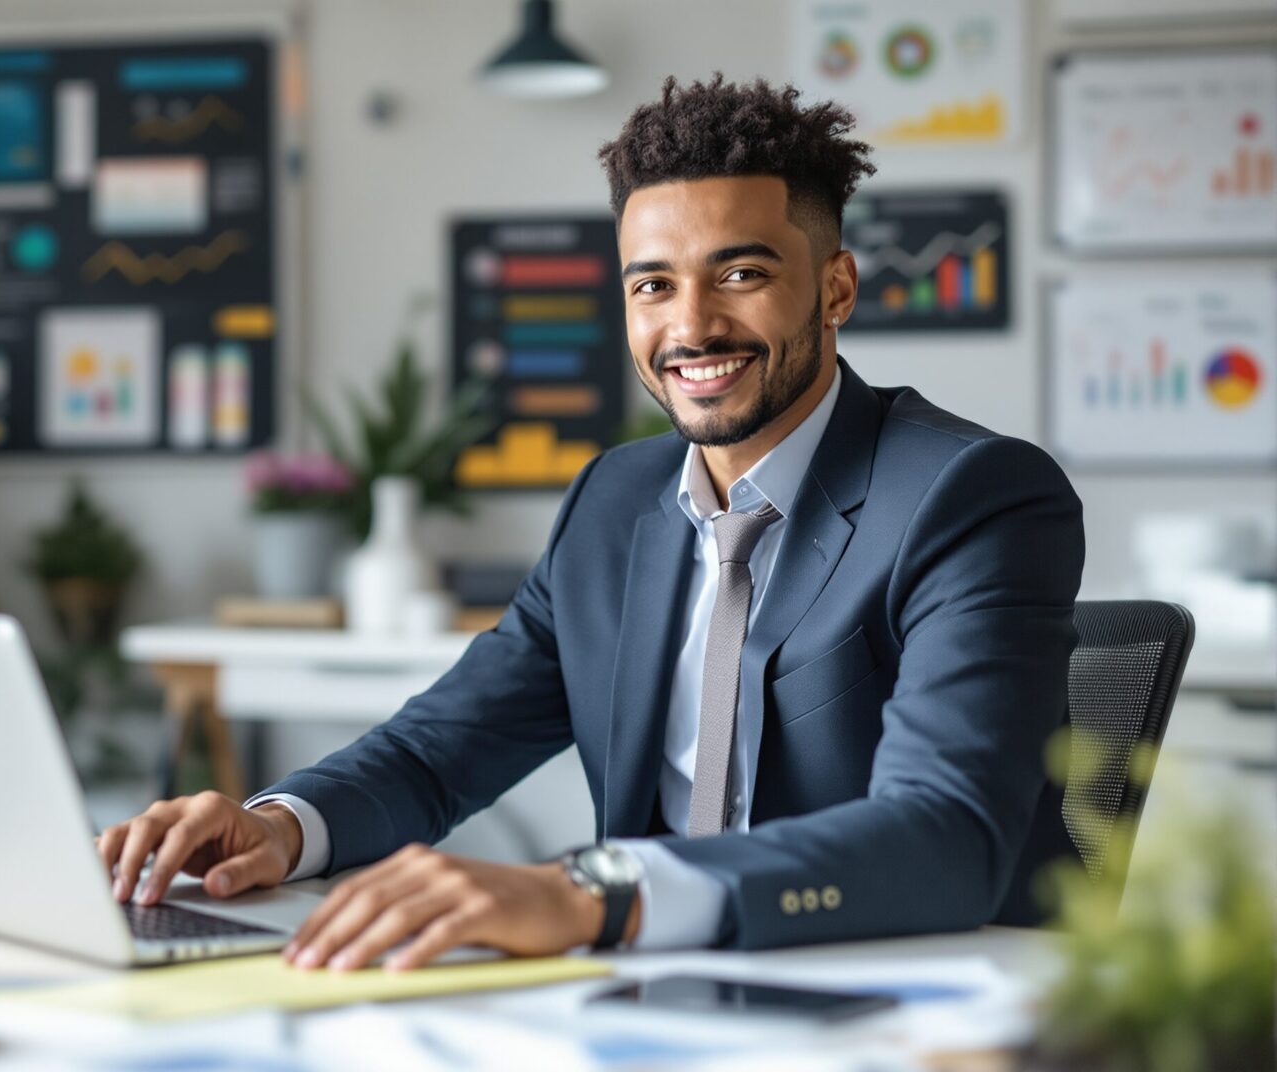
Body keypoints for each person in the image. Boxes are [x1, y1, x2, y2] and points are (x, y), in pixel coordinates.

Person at [96, 74, 1084, 971]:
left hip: (913, 988)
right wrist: (279, 826)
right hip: (657, 990)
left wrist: (593, 892)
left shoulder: (973, 494)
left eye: (740, 274)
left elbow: (947, 833)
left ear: (835, 289)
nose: (690, 325)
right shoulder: (615, 501)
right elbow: (439, 751)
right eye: (653, 284)